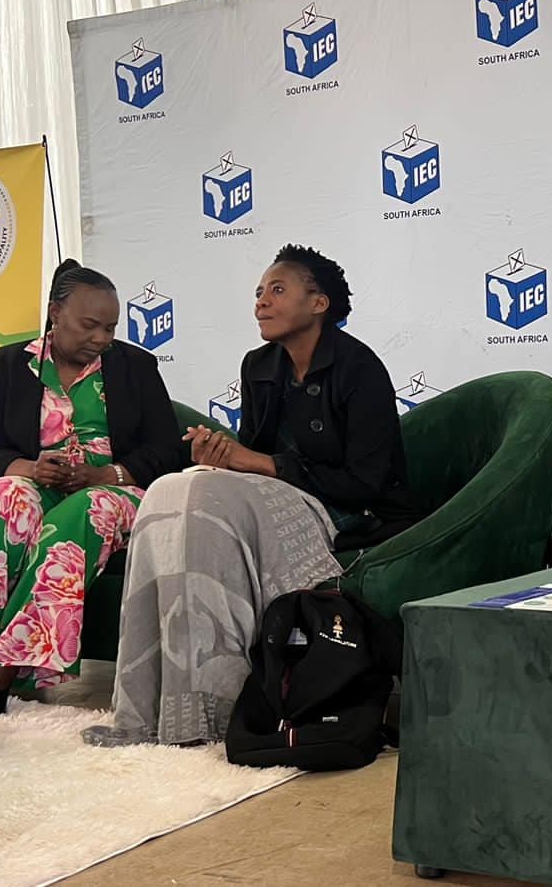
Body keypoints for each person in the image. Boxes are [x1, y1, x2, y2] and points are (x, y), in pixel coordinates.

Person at [82, 244, 417, 748]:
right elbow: (253, 456)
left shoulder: (359, 368)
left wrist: (253, 464)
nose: (261, 301)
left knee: (206, 495)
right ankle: (148, 711)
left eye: (277, 290)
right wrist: (220, 456)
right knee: (173, 488)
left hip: (348, 511)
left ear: (319, 303)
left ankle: (219, 707)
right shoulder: (259, 365)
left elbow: (363, 483)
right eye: (260, 291)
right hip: (276, 498)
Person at [0, 259, 180, 720]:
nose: (101, 338)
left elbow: (165, 449)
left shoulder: (135, 367)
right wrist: (31, 469)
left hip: (115, 490)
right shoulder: (9, 364)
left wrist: (105, 475)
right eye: (89, 325)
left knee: (79, 514)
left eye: (110, 328)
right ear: (55, 313)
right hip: (40, 482)